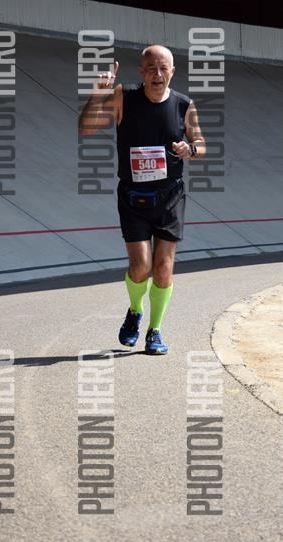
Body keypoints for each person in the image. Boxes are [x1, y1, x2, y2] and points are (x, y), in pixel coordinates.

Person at [78, 45, 206, 353]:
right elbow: (86, 128)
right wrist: (97, 93)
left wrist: (191, 150)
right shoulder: (124, 97)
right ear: (141, 72)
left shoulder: (184, 105)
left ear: (172, 72)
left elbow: (201, 142)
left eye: (163, 69)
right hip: (133, 196)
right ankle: (135, 310)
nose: (157, 74)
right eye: (151, 69)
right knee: (140, 266)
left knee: (163, 267)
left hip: (170, 195)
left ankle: (155, 330)